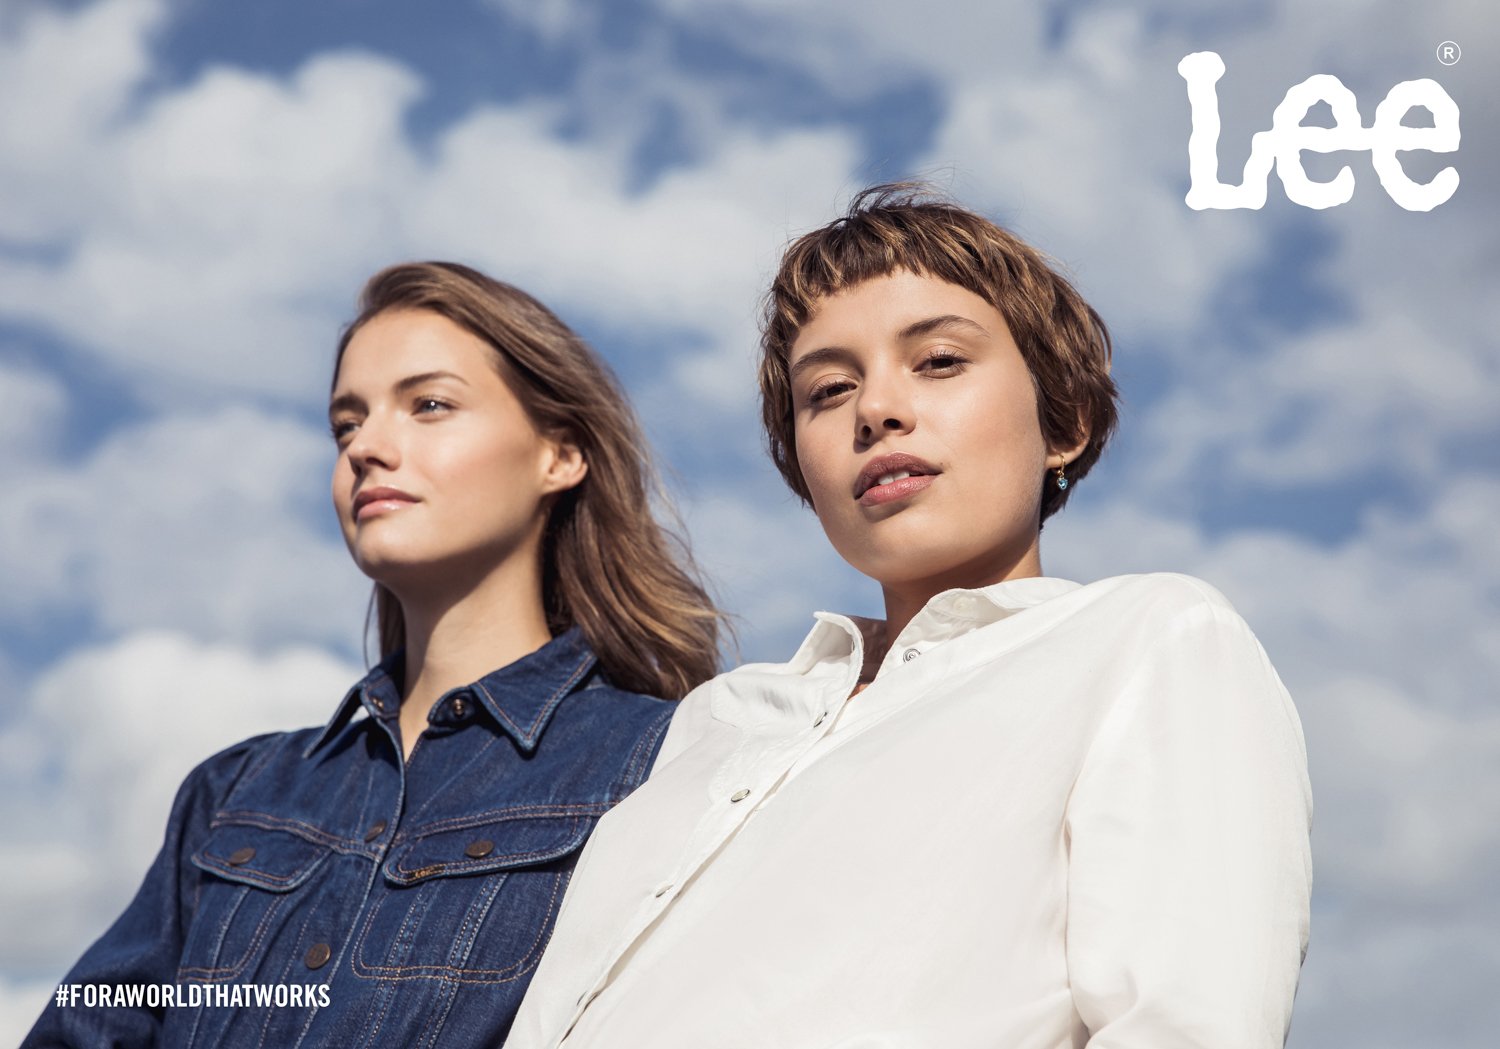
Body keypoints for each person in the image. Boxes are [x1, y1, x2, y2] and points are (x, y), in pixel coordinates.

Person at [506, 184, 1313, 1048]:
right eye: (827, 389)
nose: (876, 409)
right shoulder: (719, 719)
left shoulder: (1149, 637)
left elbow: (1187, 1027)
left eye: (938, 362)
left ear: (1065, 421)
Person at [25, 262, 724, 1048]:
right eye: (346, 423)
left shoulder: (668, 763)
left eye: (429, 404)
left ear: (558, 455)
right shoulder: (233, 795)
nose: (368, 447)